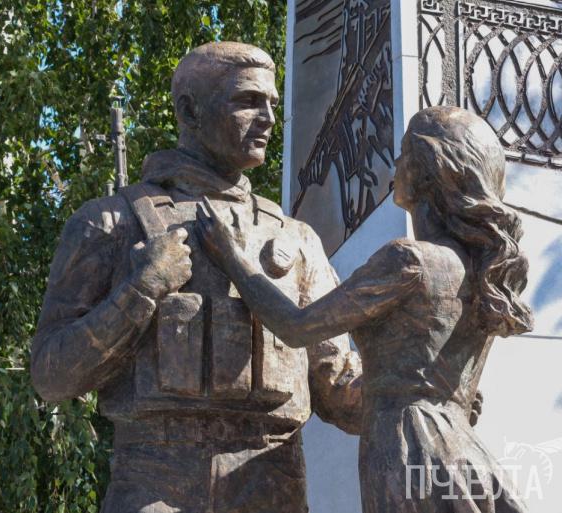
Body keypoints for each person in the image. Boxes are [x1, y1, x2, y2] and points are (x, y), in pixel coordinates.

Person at [30, 41, 361, 513]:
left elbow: (339, 389)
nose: (268, 118)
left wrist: (425, 379)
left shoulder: (297, 239)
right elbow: (51, 375)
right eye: (248, 101)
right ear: (190, 110)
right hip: (153, 480)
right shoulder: (111, 223)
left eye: (272, 103)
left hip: (271, 482)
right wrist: (141, 290)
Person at [196, 106, 533, 512]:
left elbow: (295, 327)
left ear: (428, 170)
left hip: (409, 446)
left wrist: (231, 256)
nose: (395, 164)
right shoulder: (485, 272)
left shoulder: (408, 261)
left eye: (404, 153)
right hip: (460, 448)